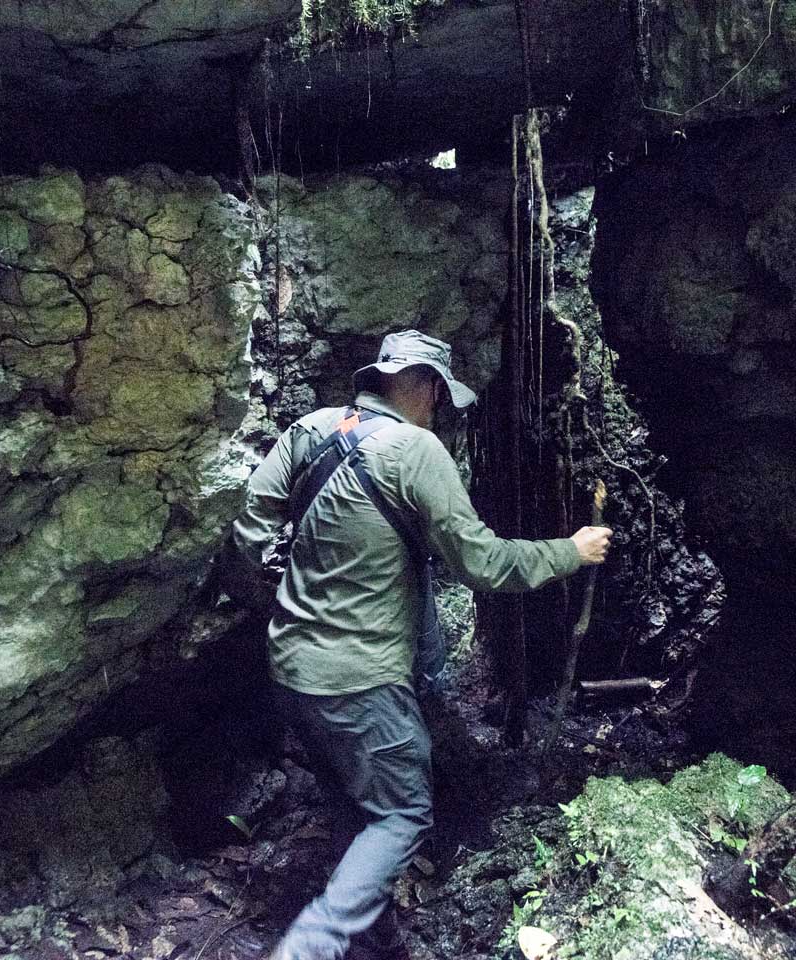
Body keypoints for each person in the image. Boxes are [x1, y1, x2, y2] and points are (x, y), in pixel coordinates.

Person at [226, 329, 612, 960]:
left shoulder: (310, 429)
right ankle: (309, 950)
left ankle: (373, 945)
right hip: (362, 682)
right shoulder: (417, 450)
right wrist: (570, 551)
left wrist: (281, 602)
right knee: (402, 814)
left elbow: (248, 534)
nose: (439, 408)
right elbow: (484, 564)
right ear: (426, 385)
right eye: (439, 394)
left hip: (292, 668)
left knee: (357, 806)